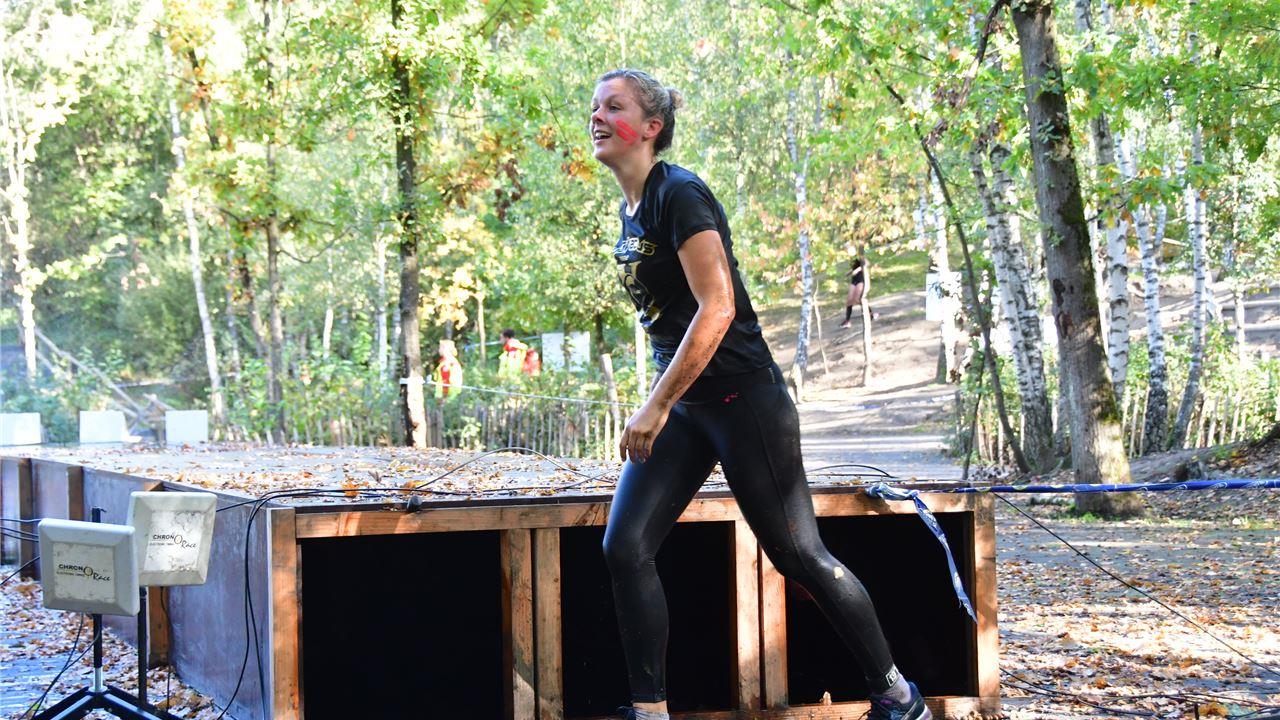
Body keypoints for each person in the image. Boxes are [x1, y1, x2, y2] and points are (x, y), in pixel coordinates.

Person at [590, 69, 932, 720]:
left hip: (744, 401)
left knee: (799, 555)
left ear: (651, 127)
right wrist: (665, 400)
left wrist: (654, 405)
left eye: (615, 107)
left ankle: (897, 695)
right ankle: (650, 712)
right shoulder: (631, 210)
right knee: (624, 546)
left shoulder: (680, 194)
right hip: (687, 407)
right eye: (595, 107)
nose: (598, 117)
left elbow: (717, 307)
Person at [841, 257, 877, 328]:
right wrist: (850, 272)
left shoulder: (860, 255)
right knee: (849, 300)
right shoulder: (852, 257)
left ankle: (871, 314)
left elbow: (867, 263)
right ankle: (847, 321)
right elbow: (855, 267)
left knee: (858, 299)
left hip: (861, 278)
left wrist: (858, 270)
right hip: (854, 279)